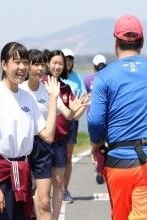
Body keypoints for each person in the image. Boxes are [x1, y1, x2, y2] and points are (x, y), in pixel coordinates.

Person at [87, 15, 147, 220]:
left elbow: (95, 121)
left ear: (115, 43)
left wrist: (97, 142)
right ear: (142, 42)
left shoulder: (104, 76)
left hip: (117, 160)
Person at [0, 42, 60, 220]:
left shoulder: (28, 98)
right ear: (4, 65)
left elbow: (48, 135)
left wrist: (53, 99)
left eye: (25, 62)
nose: (22, 67)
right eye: (16, 62)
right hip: (1, 175)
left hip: (23, 173)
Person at [19, 49, 88, 220]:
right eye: (37, 64)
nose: (41, 68)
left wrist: (78, 108)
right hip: (26, 146)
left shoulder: (56, 89)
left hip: (52, 142)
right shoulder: (22, 89)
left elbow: (68, 114)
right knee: (29, 191)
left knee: (49, 193)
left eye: (42, 64)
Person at [44, 49, 89, 220]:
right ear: (48, 63)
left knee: (58, 184)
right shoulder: (43, 84)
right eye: (54, 63)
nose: (57, 66)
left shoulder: (66, 86)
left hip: (60, 140)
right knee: (42, 188)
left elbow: (71, 115)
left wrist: (83, 105)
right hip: (42, 141)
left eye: (60, 64)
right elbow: (66, 111)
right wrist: (71, 109)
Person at [60, 48, 87, 204]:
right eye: (65, 59)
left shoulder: (76, 77)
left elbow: (83, 97)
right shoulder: (54, 76)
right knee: (54, 156)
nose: (68, 62)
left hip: (71, 122)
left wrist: (80, 110)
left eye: (70, 59)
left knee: (68, 157)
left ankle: (64, 190)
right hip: (57, 120)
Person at [84, 54, 107, 184]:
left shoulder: (88, 80)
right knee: (103, 144)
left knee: (96, 143)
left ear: (94, 66)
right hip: (104, 116)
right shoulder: (110, 78)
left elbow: (85, 95)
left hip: (92, 117)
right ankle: (102, 168)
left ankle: (99, 168)